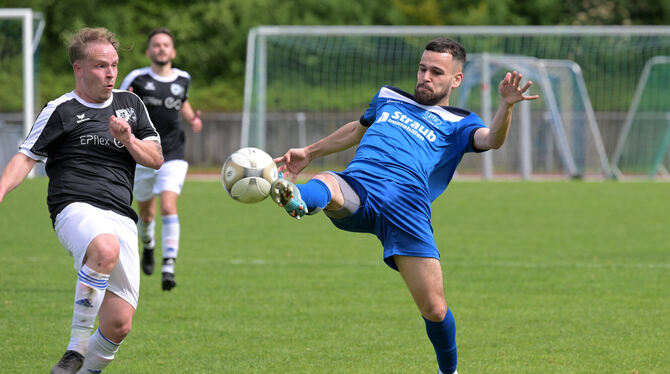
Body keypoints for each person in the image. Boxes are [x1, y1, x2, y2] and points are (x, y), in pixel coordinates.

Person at [270, 37, 539, 374]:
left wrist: (507, 106)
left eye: (436, 72)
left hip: (406, 211)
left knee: (435, 309)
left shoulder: (460, 122)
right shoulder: (388, 97)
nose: (425, 76)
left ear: (456, 79)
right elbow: (357, 129)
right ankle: (298, 199)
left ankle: (449, 371)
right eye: (422, 68)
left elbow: (492, 140)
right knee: (328, 181)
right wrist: (308, 153)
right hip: (361, 187)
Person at [0, 28, 163, 373]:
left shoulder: (130, 105)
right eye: (101, 66)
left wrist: (129, 140)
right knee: (104, 249)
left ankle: (82, 370)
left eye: (115, 65)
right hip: (74, 205)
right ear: (78, 69)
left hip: (121, 213)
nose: (110, 73)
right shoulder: (60, 109)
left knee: (120, 324)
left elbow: (155, 158)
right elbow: (25, 158)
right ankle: (75, 348)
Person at [119, 27, 202, 291]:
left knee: (168, 206)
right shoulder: (137, 78)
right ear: (148, 51)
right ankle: (149, 245)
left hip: (174, 154)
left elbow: (182, 102)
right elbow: (118, 104)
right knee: (146, 213)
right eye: (156, 45)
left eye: (166, 45)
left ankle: (169, 266)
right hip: (143, 155)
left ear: (173, 51)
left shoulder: (183, 78)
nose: (161, 49)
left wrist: (192, 118)